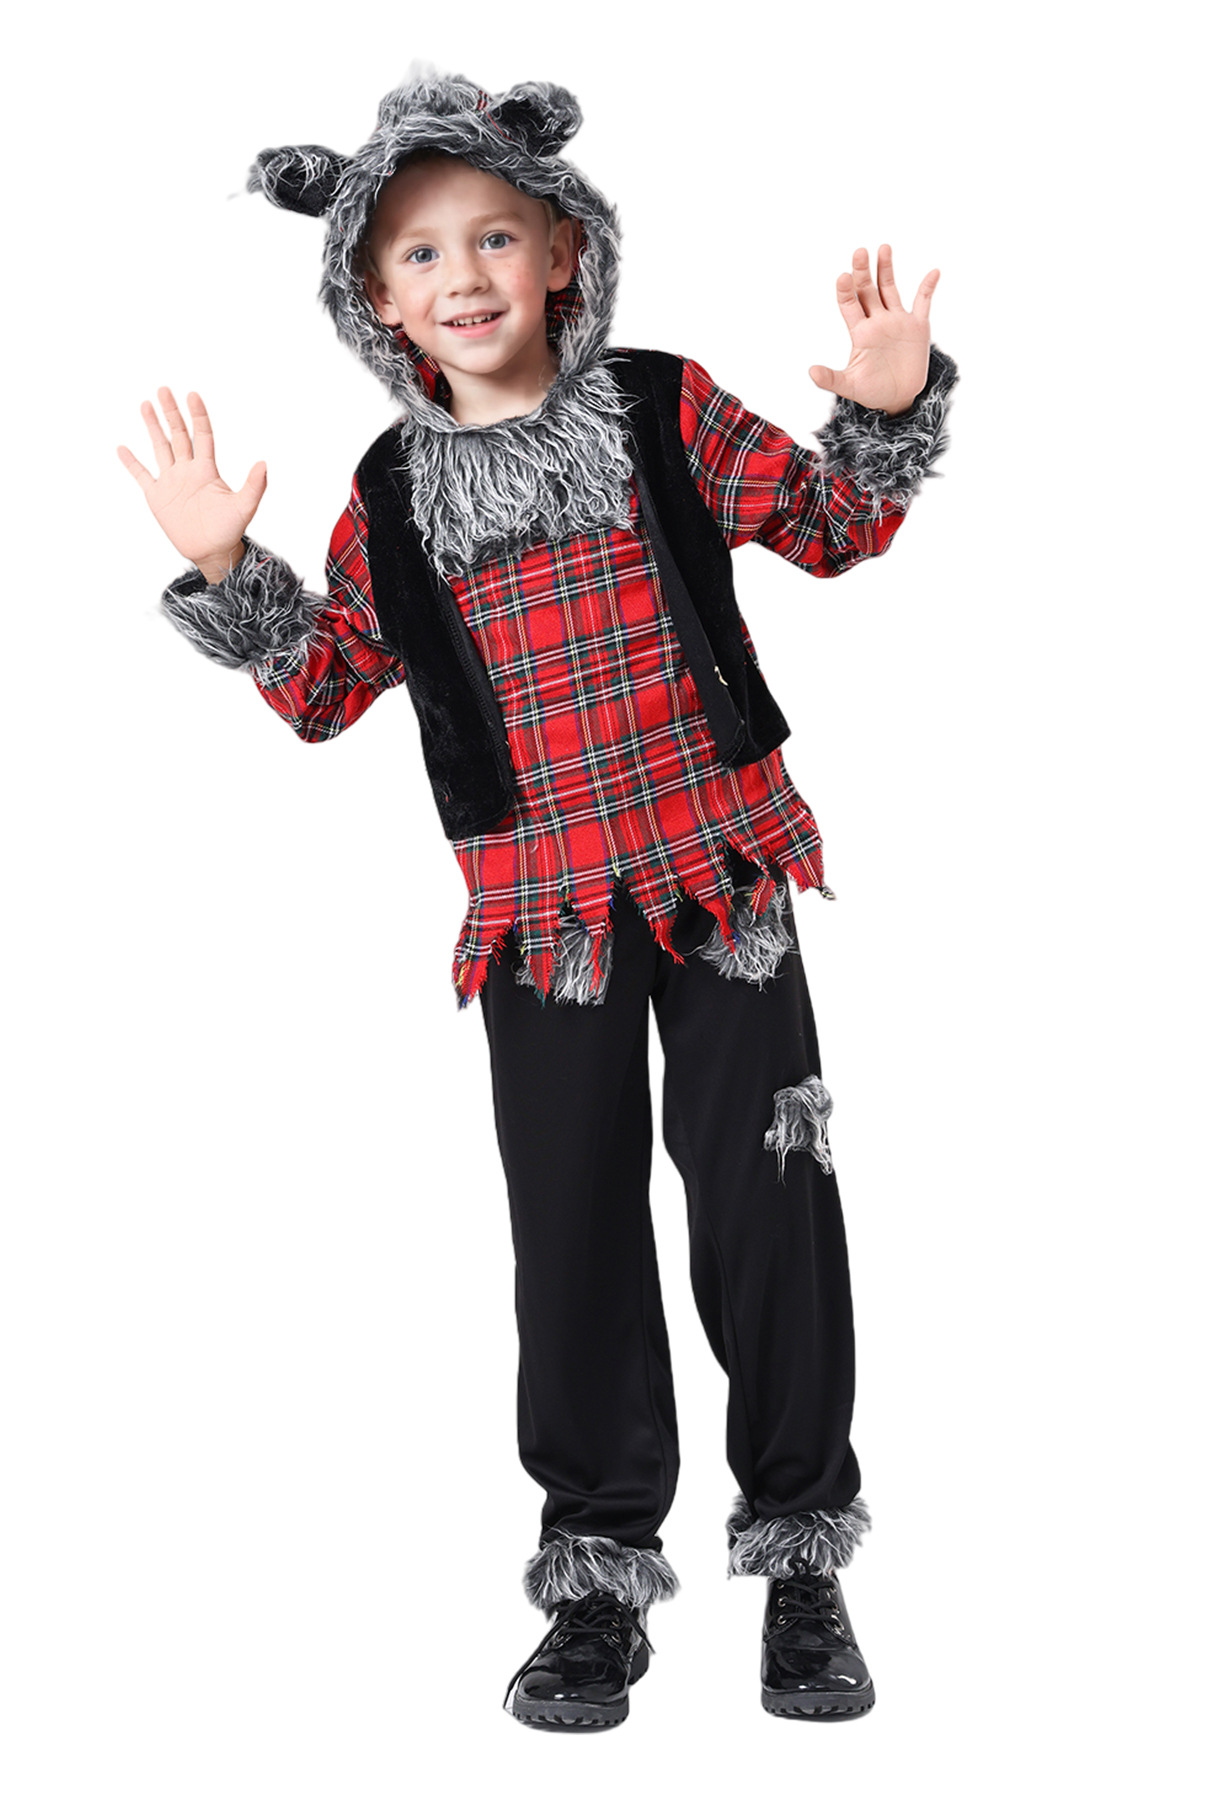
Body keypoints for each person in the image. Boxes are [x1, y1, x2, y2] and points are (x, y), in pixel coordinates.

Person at [118, 64, 959, 1729]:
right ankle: (594, 1575)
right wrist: (225, 569)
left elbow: (829, 525)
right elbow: (322, 691)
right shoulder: (392, 494)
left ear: (564, 250)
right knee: (570, 1230)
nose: (466, 275)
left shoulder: (660, 406)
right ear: (376, 300)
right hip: (538, 922)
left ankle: (802, 1555)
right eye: (421, 254)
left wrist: (887, 404)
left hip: (721, 879)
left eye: (497, 235)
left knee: (766, 1202)